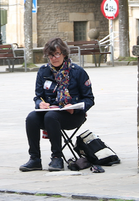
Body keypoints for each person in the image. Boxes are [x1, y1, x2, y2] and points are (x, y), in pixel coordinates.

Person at [19, 38, 94, 172]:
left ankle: (57, 157)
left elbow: (89, 99)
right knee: (31, 117)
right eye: (51, 55)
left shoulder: (77, 71)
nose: (54, 58)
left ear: (64, 54)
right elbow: (38, 96)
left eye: (58, 54)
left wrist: (74, 107)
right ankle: (35, 158)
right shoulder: (43, 71)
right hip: (51, 111)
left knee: (51, 116)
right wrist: (40, 103)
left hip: (73, 115)